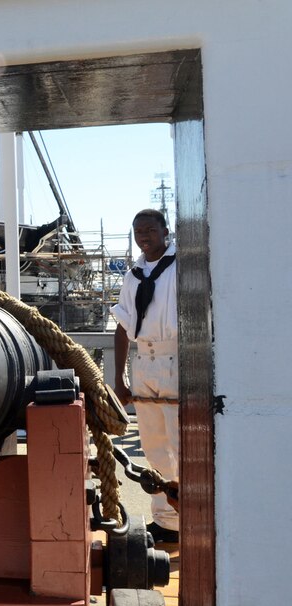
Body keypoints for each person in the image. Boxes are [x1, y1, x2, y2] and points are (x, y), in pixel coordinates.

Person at [110, 209, 179, 544]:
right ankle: (166, 522)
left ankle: (191, 518)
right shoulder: (134, 275)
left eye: (150, 229)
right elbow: (122, 328)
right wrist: (120, 378)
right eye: (138, 230)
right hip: (145, 362)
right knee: (154, 448)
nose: (143, 235)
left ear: (166, 231)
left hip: (176, 357)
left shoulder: (183, 267)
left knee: (182, 447)